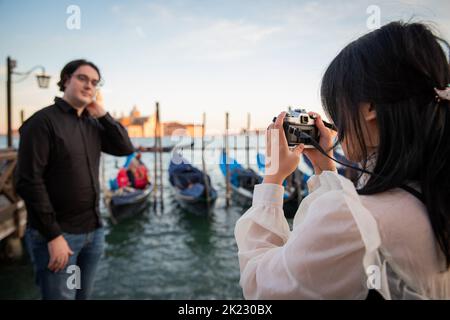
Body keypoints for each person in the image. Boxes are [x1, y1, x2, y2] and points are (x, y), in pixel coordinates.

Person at [235, 21, 450, 299]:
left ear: (369, 107)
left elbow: (261, 288)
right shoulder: (430, 194)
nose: (336, 122)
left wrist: (273, 177)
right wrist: (325, 166)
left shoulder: (359, 220)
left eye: (336, 108)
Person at [15, 59, 134, 299]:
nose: (89, 85)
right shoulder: (41, 123)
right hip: (59, 236)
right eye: (82, 78)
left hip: (94, 232)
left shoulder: (93, 123)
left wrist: (102, 114)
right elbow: (28, 181)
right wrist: (53, 235)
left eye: (94, 82)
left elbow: (124, 147)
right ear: (66, 80)